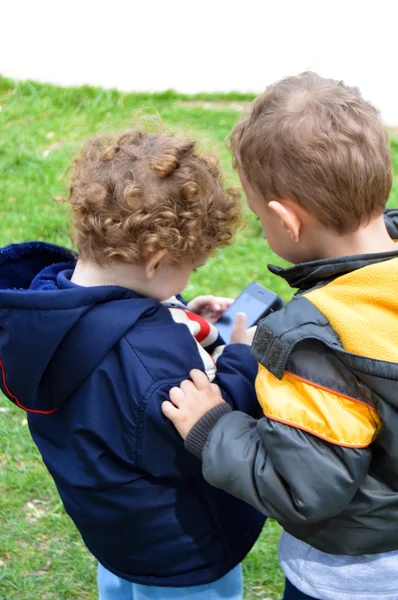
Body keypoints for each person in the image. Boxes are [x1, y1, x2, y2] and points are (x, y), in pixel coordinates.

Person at [162, 72, 398, 600]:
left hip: (353, 580)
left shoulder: (313, 342)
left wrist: (212, 426)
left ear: (285, 220)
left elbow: (304, 487)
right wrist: (276, 329)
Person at [0, 131, 265, 599]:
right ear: (157, 260)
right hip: (182, 554)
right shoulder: (156, 361)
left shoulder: (46, 310)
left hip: (119, 537)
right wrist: (242, 357)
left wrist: (177, 311)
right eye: (191, 266)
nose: (191, 275)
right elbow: (213, 435)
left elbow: (115, 329)